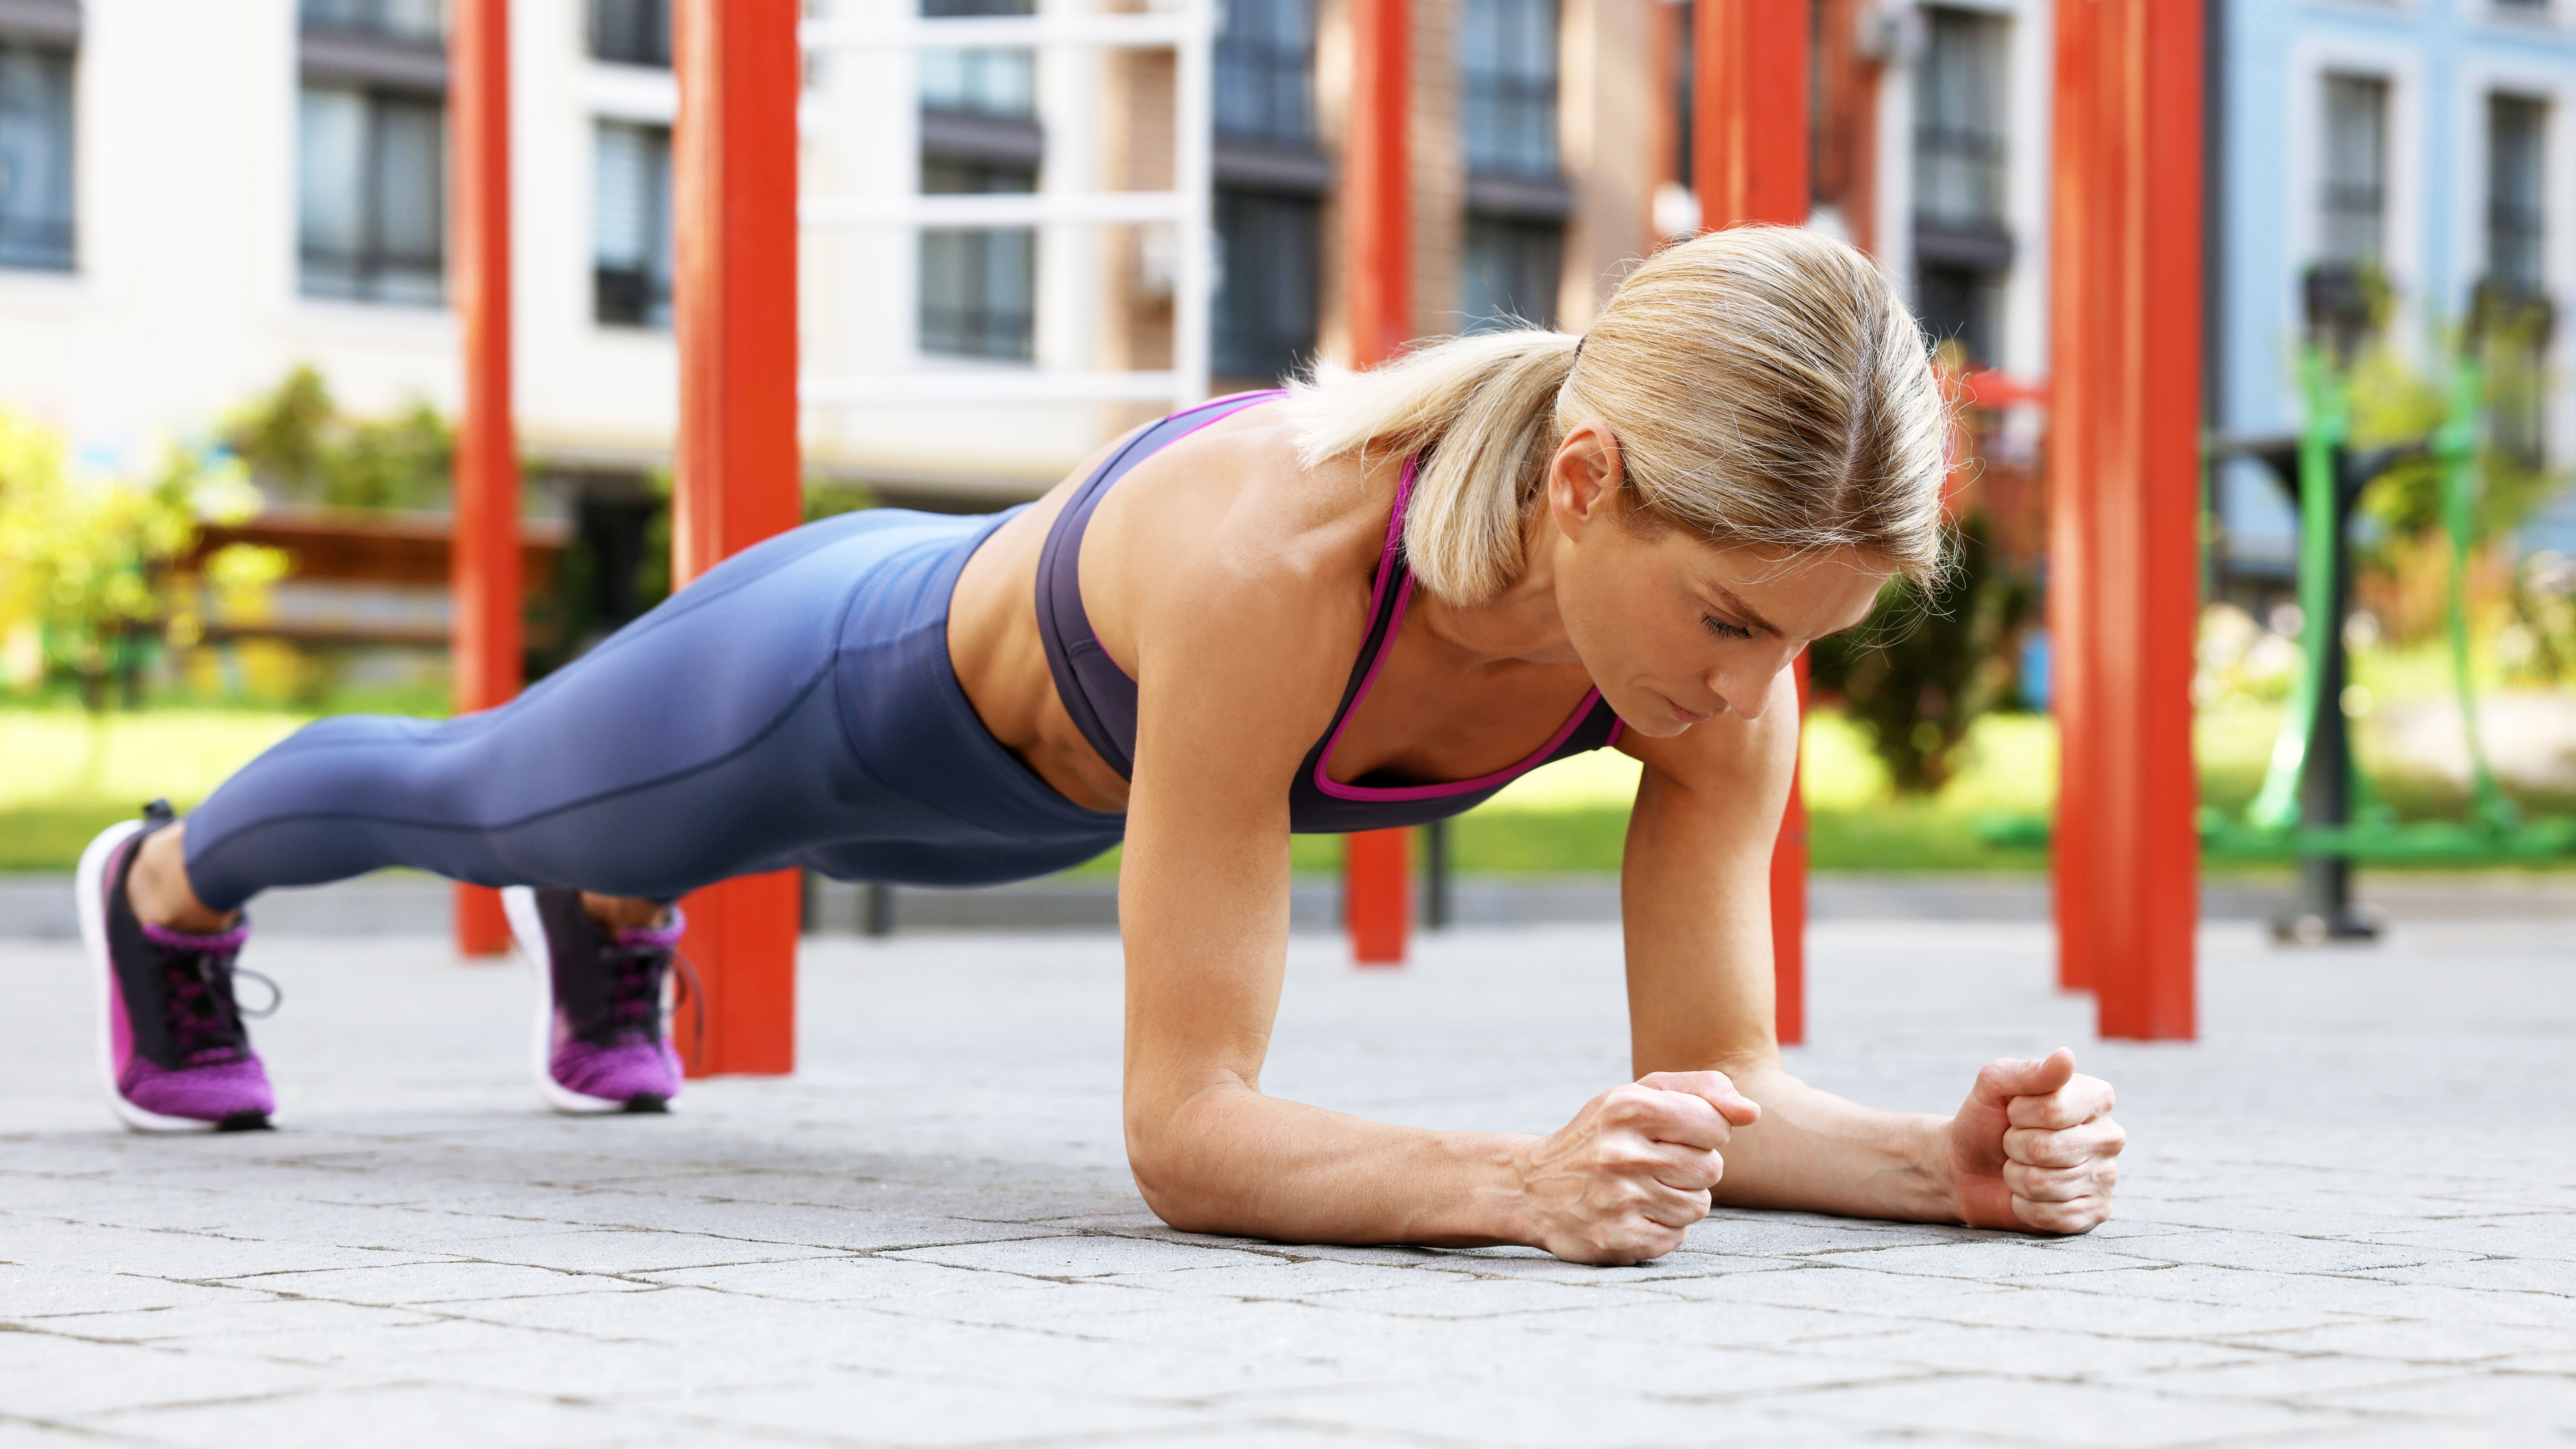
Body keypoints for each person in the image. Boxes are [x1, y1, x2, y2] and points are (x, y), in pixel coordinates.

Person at [76, 227, 2122, 1264]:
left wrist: (1934, 1173)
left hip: (1053, 808)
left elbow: (1724, 1086)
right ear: (1584, 481)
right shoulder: (1282, 567)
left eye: (1809, 640)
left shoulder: (1713, 665)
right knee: (474, 797)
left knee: (607, 838)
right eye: (1737, 625)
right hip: (832, 695)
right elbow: (1187, 1131)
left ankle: (626, 903)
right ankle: (165, 885)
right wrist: (1513, 1181)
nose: (1758, 695)